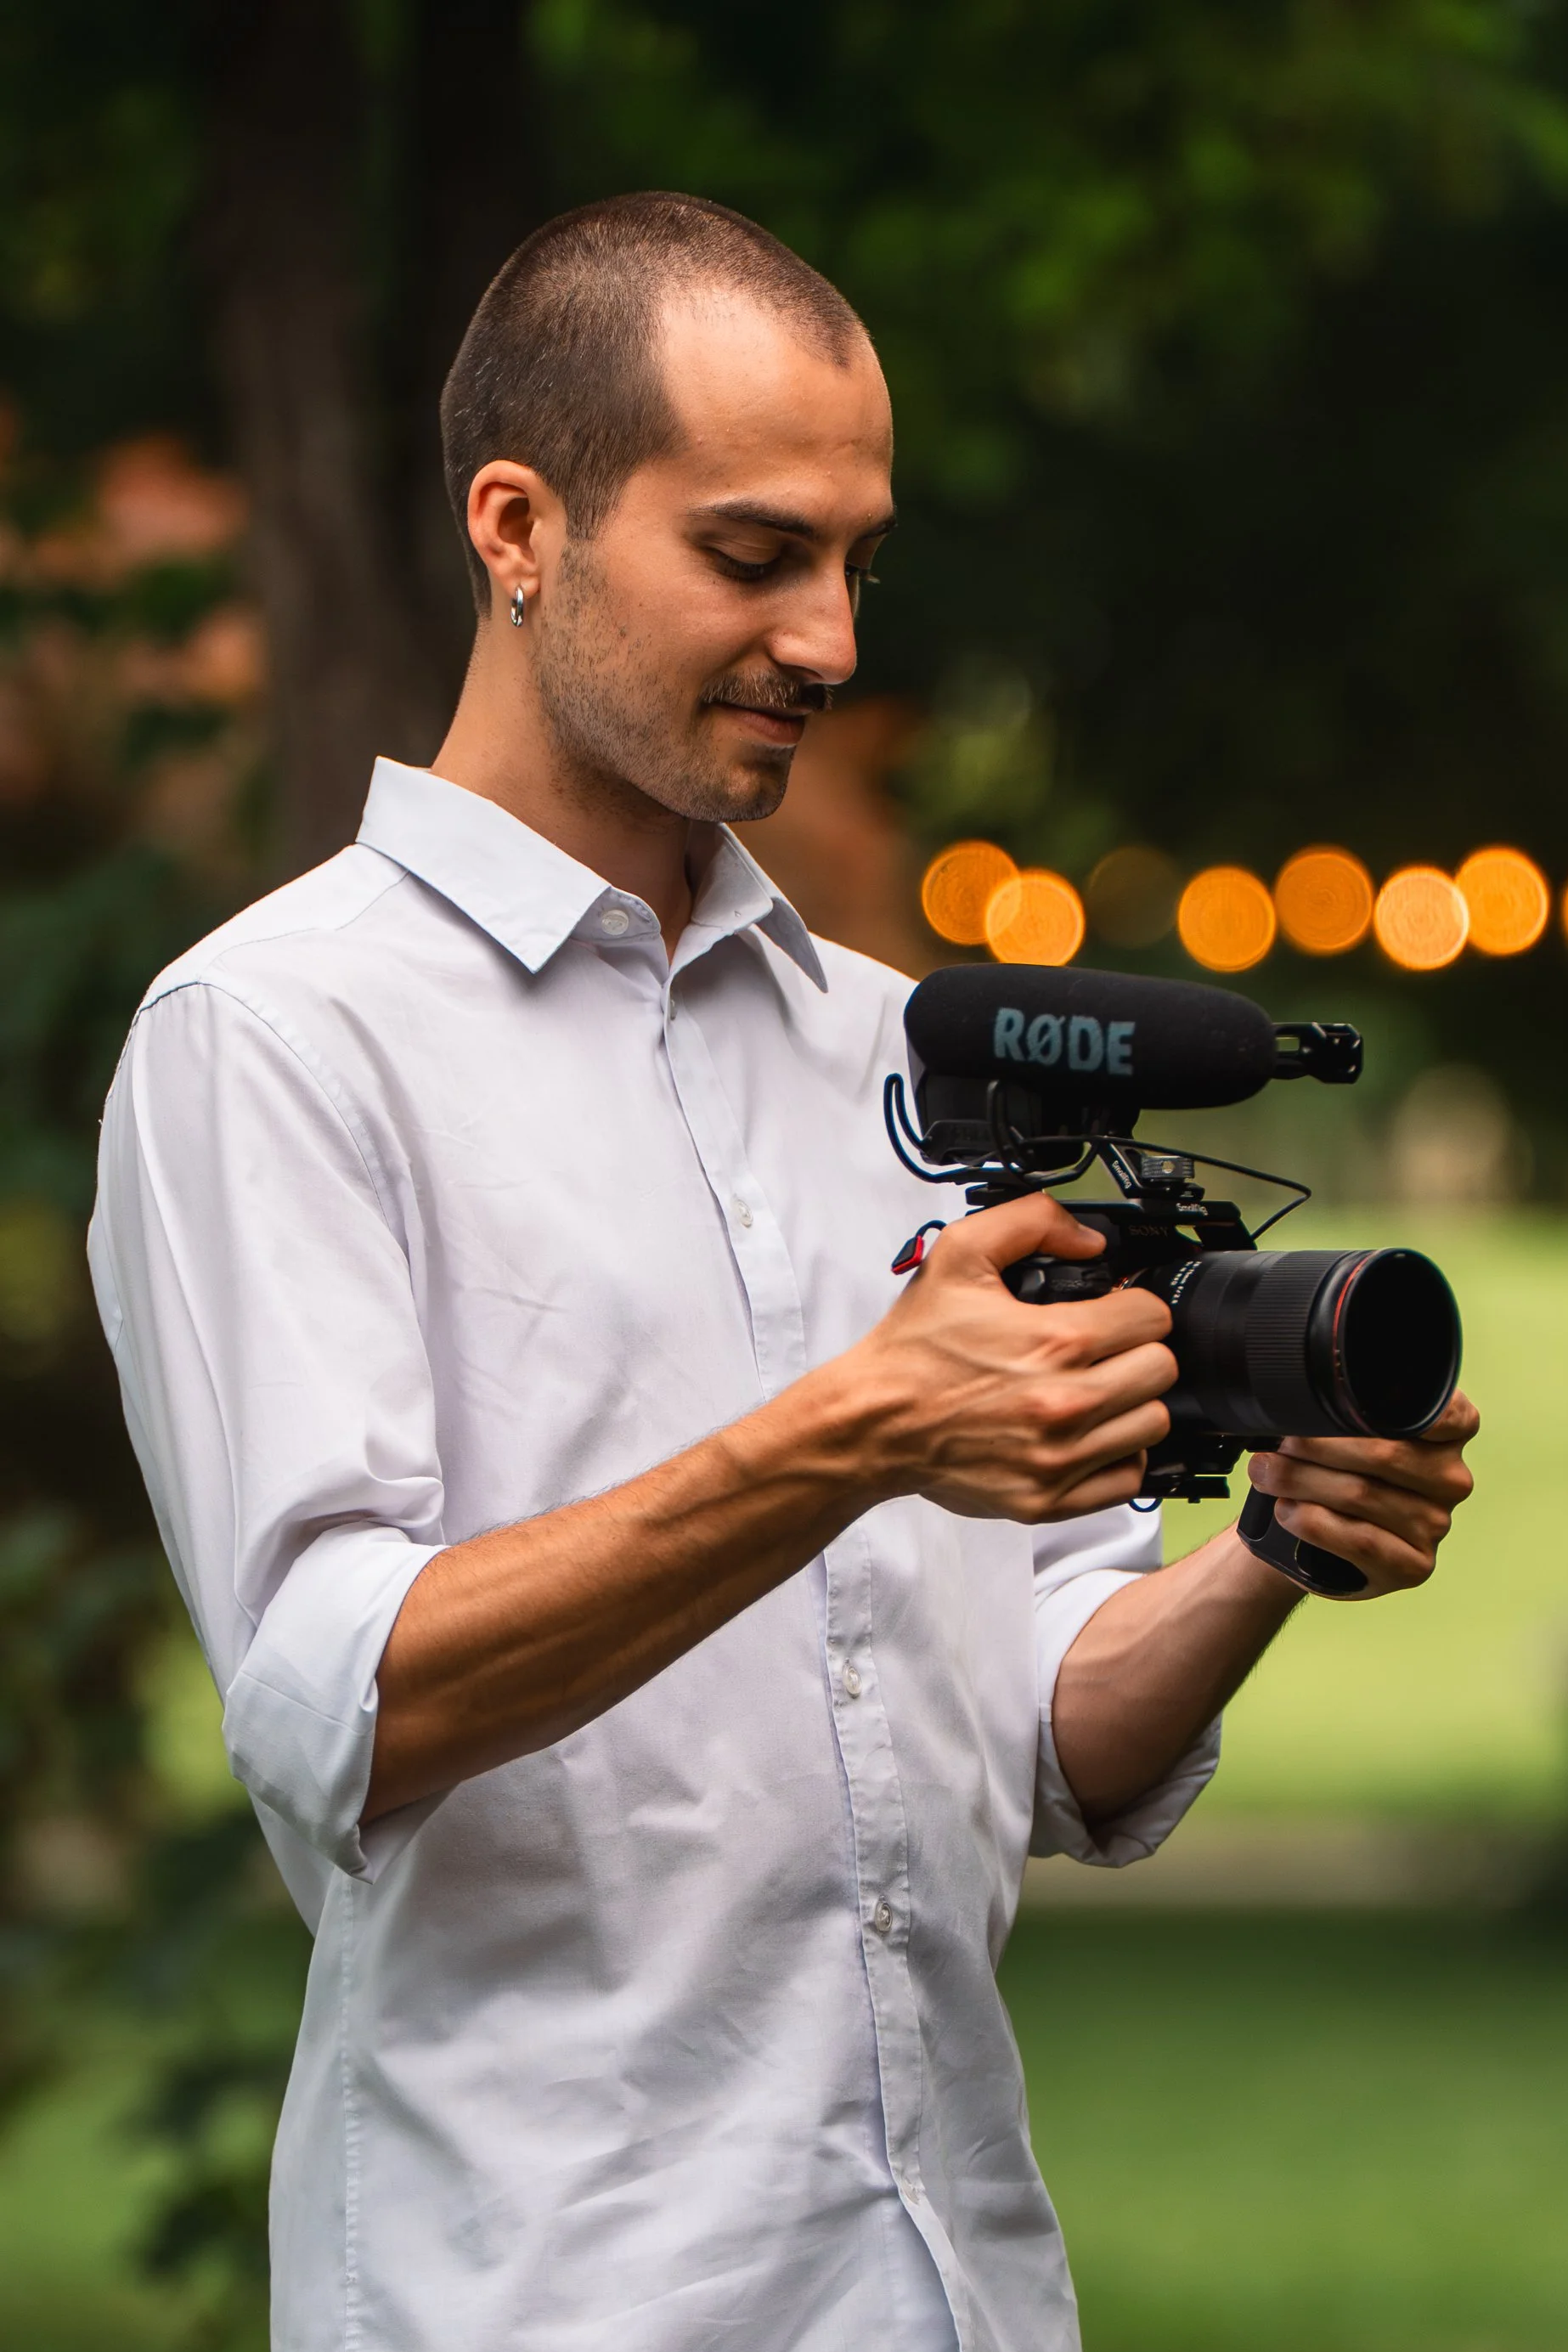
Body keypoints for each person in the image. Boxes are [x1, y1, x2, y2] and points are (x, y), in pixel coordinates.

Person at [88, 193, 1477, 2352]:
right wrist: (848, 1432)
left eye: (855, 562)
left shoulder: (892, 1046)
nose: (830, 639)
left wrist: (1276, 1551)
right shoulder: (271, 1036)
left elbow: (1038, 1745)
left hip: (953, 2295)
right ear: (517, 525)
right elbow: (334, 1712)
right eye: (752, 557)